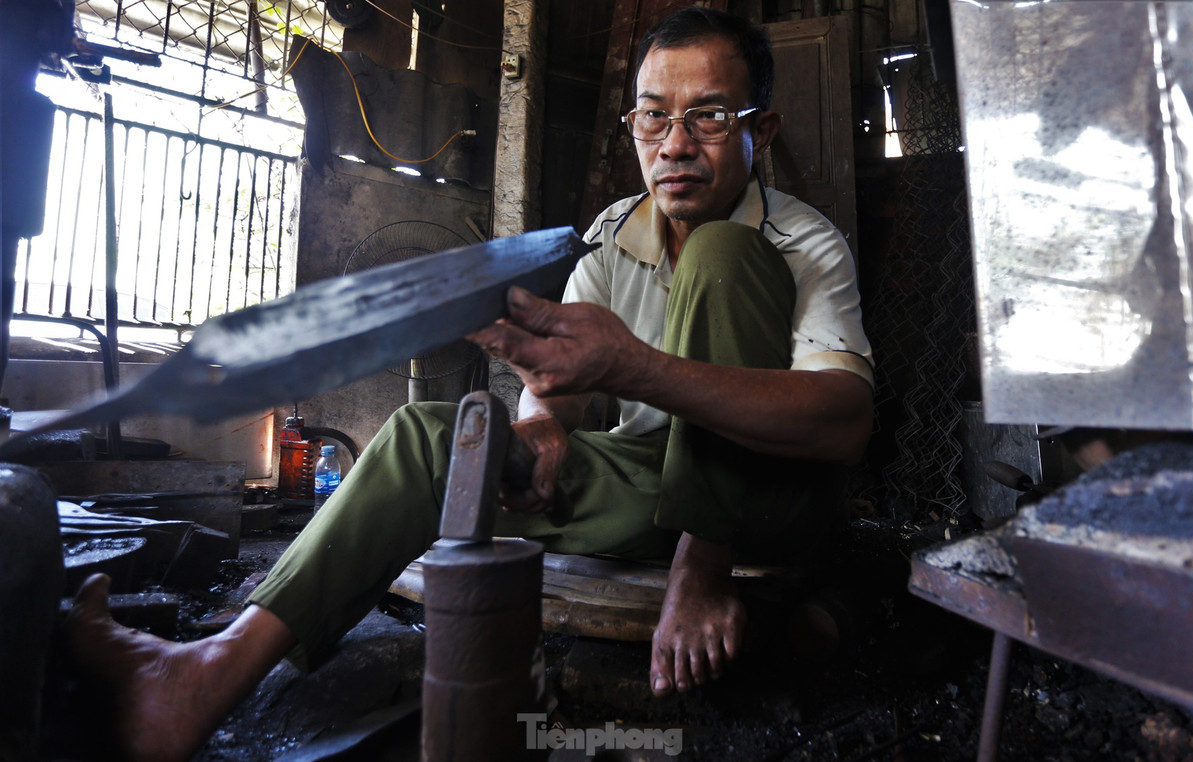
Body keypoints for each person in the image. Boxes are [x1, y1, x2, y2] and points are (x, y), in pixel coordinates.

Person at [63, 7, 874, 761]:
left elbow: (843, 425)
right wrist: (544, 422)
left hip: (766, 500)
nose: (674, 144)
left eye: (709, 116)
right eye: (654, 115)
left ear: (758, 131)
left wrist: (642, 381)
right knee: (436, 436)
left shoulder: (804, 243)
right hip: (649, 484)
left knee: (719, 257)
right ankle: (202, 676)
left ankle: (702, 562)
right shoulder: (612, 231)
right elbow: (560, 379)